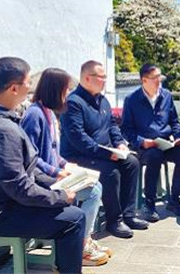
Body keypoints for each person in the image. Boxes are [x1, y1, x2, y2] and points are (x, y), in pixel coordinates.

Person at [0, 57, 85, 274]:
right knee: (74, 219)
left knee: (72, 204)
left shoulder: (2, 119)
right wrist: (59, 196)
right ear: (14, 88)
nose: (31, 87)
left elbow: (26, 169)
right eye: (28, 82)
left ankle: (62, 265)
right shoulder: (2, 131)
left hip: (5, 204)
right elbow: (19, 187)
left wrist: (56, 182)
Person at [20, 68, 111, 266]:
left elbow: (53, 152)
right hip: (42, 181)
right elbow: (31, 158)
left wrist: (66, 164)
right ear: (55, 90)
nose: (68, 94)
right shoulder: (34, 115)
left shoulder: (50, 114)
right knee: (93, 191)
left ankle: (83, 239)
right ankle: (81, 246)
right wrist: (57, 171)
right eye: (65, 89)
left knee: (94, 182)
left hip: (53, 175)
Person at [60, 60, 149, 239]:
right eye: (101, 77)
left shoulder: (102, 100)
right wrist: (107, 154)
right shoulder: (73, 103)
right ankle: (114, 220)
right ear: (87, 78)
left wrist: (119, 143)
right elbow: (79, 138)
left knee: (132, 162)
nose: (104, 81)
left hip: (104, 152)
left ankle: (128, 214)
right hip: (79, 156)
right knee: (110, 171)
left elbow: (112, 125)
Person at [121, 63, 180, 222]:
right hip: (144, 148)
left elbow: (174, 121)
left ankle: (174, 199)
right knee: (154, 156)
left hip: (165, 143)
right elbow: (125, 129)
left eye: (160, 77)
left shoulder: (166, 95)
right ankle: (149, 204)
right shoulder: (132, 100)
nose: (159, 81)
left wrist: (178, 136)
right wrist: (141, 142)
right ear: (144, 80)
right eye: (155, 78)